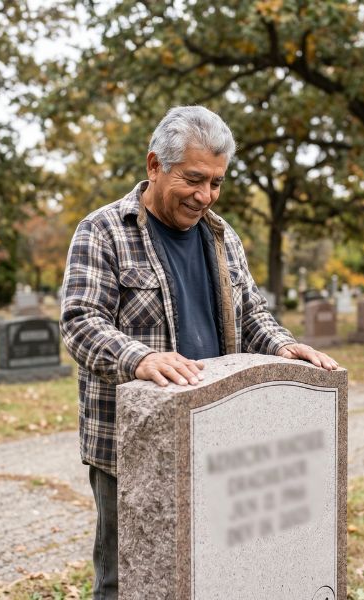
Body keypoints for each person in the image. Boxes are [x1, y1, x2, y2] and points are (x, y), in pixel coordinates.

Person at [60, 105, 338, 599]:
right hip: (131, 447)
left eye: (215, 183)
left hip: (217, 437)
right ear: (154, 165)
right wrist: (139, 358)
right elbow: (80, 323)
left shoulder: (221, 235)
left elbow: (251, 312)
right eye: (193, 179)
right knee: (125, 581)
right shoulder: (103, 230)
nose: (204, 196)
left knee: (209, 572)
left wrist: (284, 345)